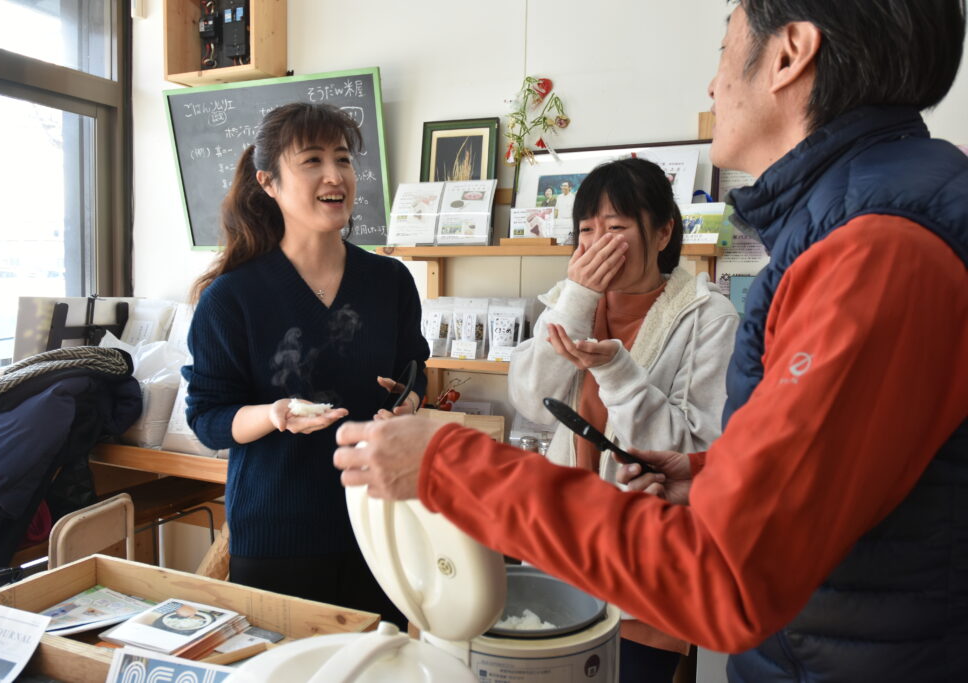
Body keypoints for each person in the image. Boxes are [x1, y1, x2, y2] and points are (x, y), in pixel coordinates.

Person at [333, 1, 968, 681]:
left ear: (789, 55)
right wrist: (709, 476)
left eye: (726, 47)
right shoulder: (858, 227)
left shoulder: (874, 254)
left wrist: (448, 465)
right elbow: (812, 471)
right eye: (587, 231)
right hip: (634, 576)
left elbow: (726, 570)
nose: (712, 85)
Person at [183, 102, 427, 627]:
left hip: (381, 523)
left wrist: (407, 402)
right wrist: (274, 414)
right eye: (312, 160)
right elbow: (208, 418)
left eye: (343, 159)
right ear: (268, 182)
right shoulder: (231, 298)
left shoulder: (391, 282)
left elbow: (415, 371)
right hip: (277, 536)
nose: (335, 175)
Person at [508, 158, 737, 681]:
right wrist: (578, 299)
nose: (596, 245)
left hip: (647, 568)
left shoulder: (708, 318)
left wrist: (617, 371)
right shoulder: (570, 302)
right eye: (586, 230)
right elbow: (526, 394)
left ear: (662, 233)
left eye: (615, 228)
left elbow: (695, 449)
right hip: (564, 551)